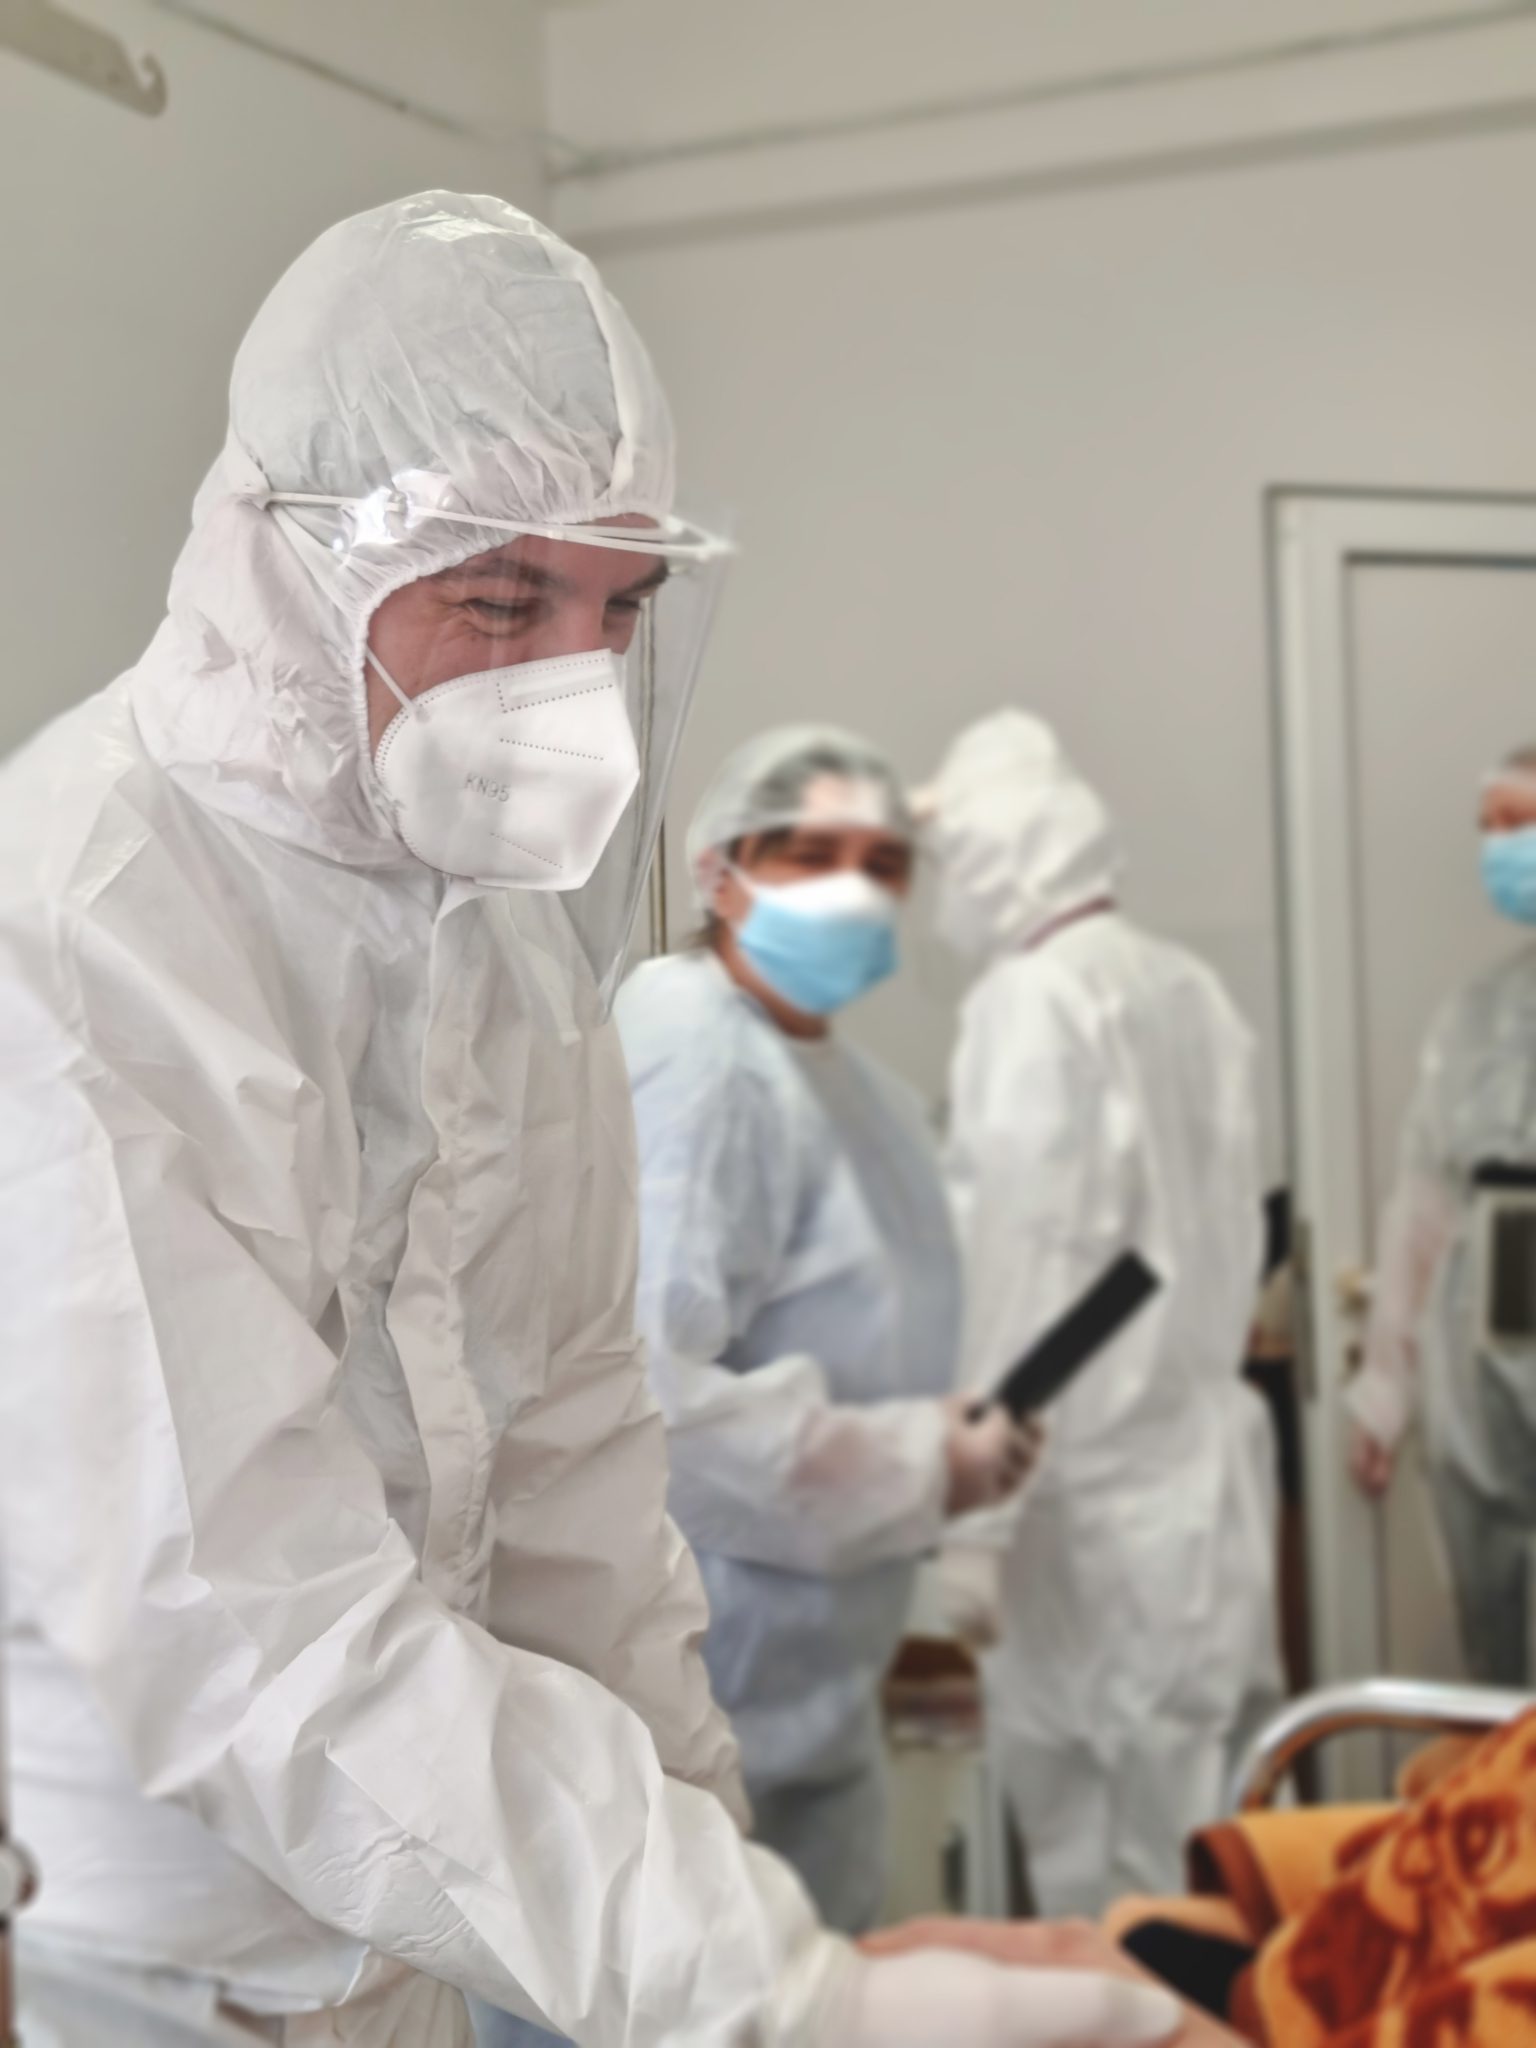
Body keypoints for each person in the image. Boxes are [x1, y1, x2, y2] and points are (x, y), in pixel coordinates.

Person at [0, 197, 1180, 2048]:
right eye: (501, 602)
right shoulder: (86, 922)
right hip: (154, 1970)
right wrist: (777, 1997)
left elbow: (577, 1486)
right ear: (292, 561)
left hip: (425, 1947)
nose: (567, 684)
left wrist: (734, 1918)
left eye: (615, 610)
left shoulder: (494, 937)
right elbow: (242, 1627)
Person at [611, 727, 1039, 1939]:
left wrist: (958, 1448)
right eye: (811, 855)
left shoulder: (862, 1095)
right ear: (719, 869)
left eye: (880, 861)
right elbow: (645, 1401)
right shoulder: (695, 1051)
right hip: (692, 1691)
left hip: (815, 1681)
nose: (853, 887)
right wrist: (918, 1460)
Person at [922, 709, 1282, 1917]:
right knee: (1197, 1856)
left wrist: (977, 1518)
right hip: (1191, 1481)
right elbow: (1207, 1232)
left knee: (1093, 1874)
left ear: (996, 856)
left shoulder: (1033, 1000)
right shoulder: (1187, 987)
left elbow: (1031, 1258)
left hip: (1078, 1501)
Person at [1349, 747, 1536, 1686]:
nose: (1501, 849)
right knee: (1495, 1609)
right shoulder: (1477, 1015)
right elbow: (1421, 1211)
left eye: (1520, 823)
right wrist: (1385, 1392)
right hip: (1485, 1309)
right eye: (1489, 828)